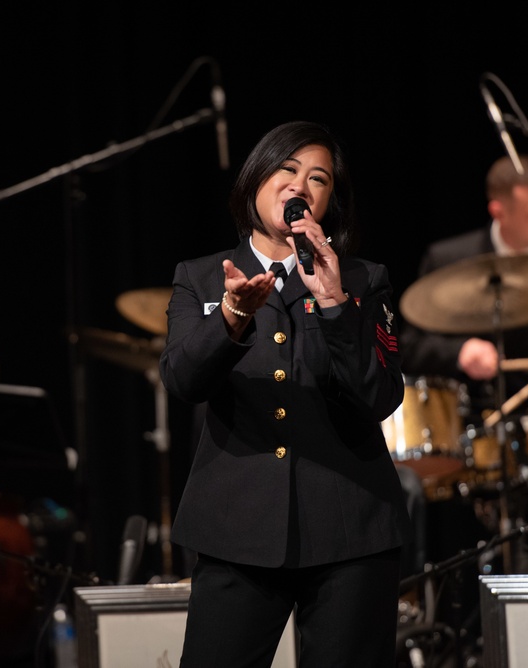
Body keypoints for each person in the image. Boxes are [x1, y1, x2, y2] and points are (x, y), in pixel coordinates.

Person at [160, 121, 410, 666]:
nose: (301, 185)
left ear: (327, 204)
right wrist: (232, 315)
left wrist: (338, 302)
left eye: (318, 179)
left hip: (351, 532)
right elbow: (183, 380)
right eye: (288, 169)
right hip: (236, 531)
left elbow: (381, 397)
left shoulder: (363, 280)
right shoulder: (201, 278)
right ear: (256, 180)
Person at [399, 154, 528, 562]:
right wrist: (460, 352)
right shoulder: (448, 260)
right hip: (471, 419)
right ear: (499, 211)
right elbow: (408, 346)